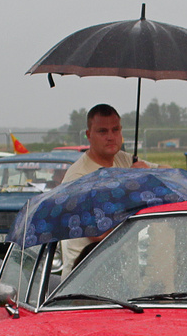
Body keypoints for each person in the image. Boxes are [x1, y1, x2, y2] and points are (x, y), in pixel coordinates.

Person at [58, 103, 163, 274]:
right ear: (88, 135)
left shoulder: (123, 160)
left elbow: (170, 173)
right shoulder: (78, 177)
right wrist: (131, 190)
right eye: (102, 131)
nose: (111, 136)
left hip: (124, 277)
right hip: (85, 279)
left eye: (116, 130)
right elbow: (98, 233)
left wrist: (147, 172)